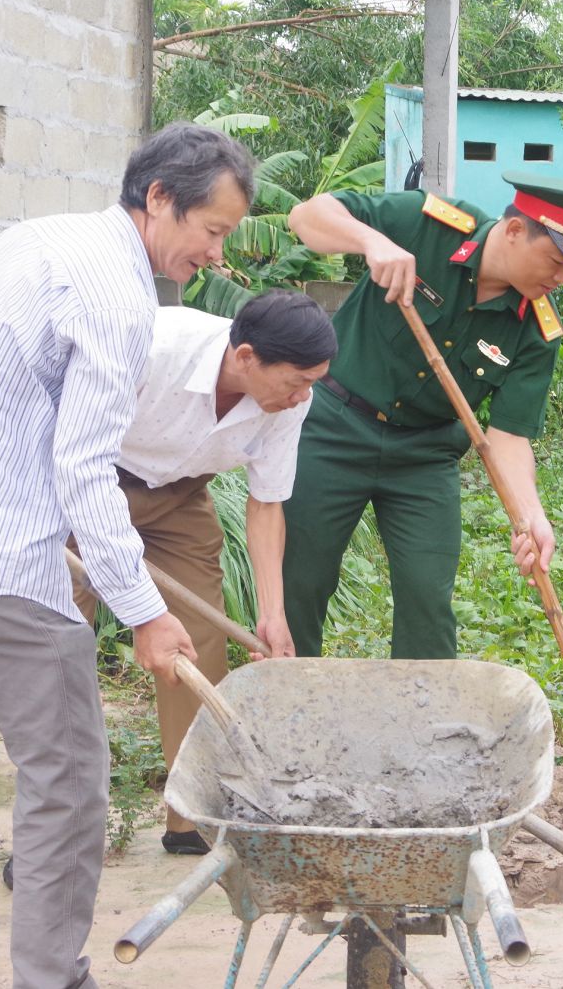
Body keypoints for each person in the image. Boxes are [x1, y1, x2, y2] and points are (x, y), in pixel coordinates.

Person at [0, 122, 254, 989]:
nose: (215, 254)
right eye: (213, 229)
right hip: (0, 561)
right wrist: (146, 612)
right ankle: (51, 976)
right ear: (159, 199)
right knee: (66, 778)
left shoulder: (38, 237)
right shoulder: (120, 298)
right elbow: (84, 468)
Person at [278, 172, 563, 660]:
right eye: (556, 261)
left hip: (424, 456)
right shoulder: (428, 225)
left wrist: (531, 515)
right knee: (300, 579)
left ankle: (423, 706)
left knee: (428, 599)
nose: (562, 278)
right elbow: (305, 216)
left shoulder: (537, 331)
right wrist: (372, 242)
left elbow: (509, 436)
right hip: (334, 428)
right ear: (514, 230)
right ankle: (290, 695)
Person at [71, 291, 334, 856]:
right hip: (84, 485)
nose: (302, 397)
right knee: (57, 638)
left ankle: (191, 815)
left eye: (313, 383)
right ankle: (56, 831)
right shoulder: (152, 347)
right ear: (245, 357)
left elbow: (267, 502)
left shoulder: (291, 400)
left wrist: (272, 613)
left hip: (179, 497)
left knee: (199, 642)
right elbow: (73, 445)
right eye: (296, 382)